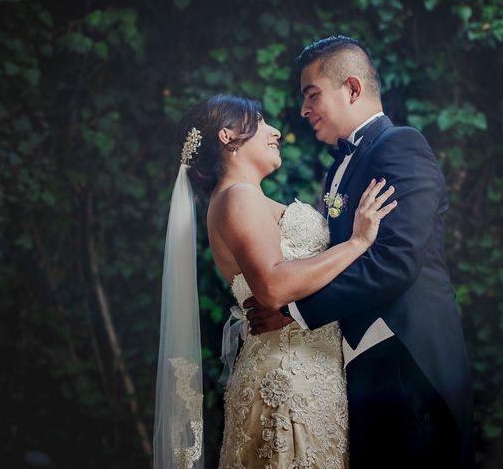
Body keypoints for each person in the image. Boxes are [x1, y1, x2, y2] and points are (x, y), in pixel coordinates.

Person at [245, 36, 474, 467]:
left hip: (409, 359)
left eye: (312, 95)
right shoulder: (339, 167)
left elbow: (395, 263)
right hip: (362, 367)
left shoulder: (401, 146)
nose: (303, 110)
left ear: (352, 88)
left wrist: (292, 314)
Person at [153, 94, 397, 469]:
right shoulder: (238, 197)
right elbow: (273, 286)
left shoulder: (243, 199)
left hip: (308, 375)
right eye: (261, 122)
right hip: (286, 383)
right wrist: (358, 242)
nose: (276, 131)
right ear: (228, 135)